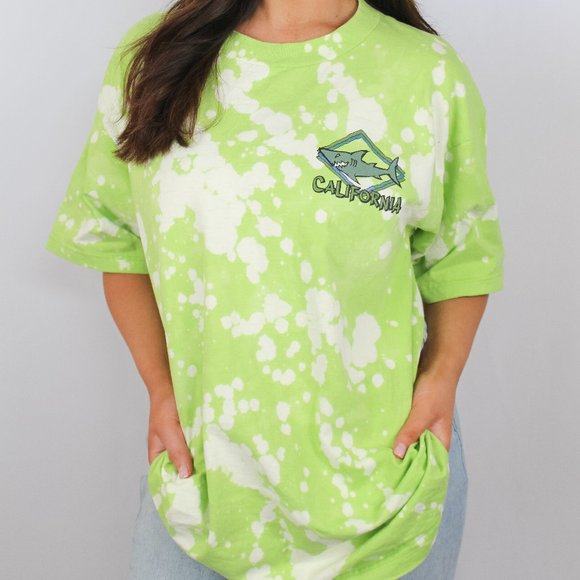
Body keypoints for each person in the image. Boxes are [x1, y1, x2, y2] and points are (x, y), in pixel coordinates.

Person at [44, 0, 504, 578]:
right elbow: (118, 242)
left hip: (384, 480)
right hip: (205, 478)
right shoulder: (158, 55)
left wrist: (442, 379)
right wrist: (161, 389)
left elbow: (461, 256)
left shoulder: (427, 71)